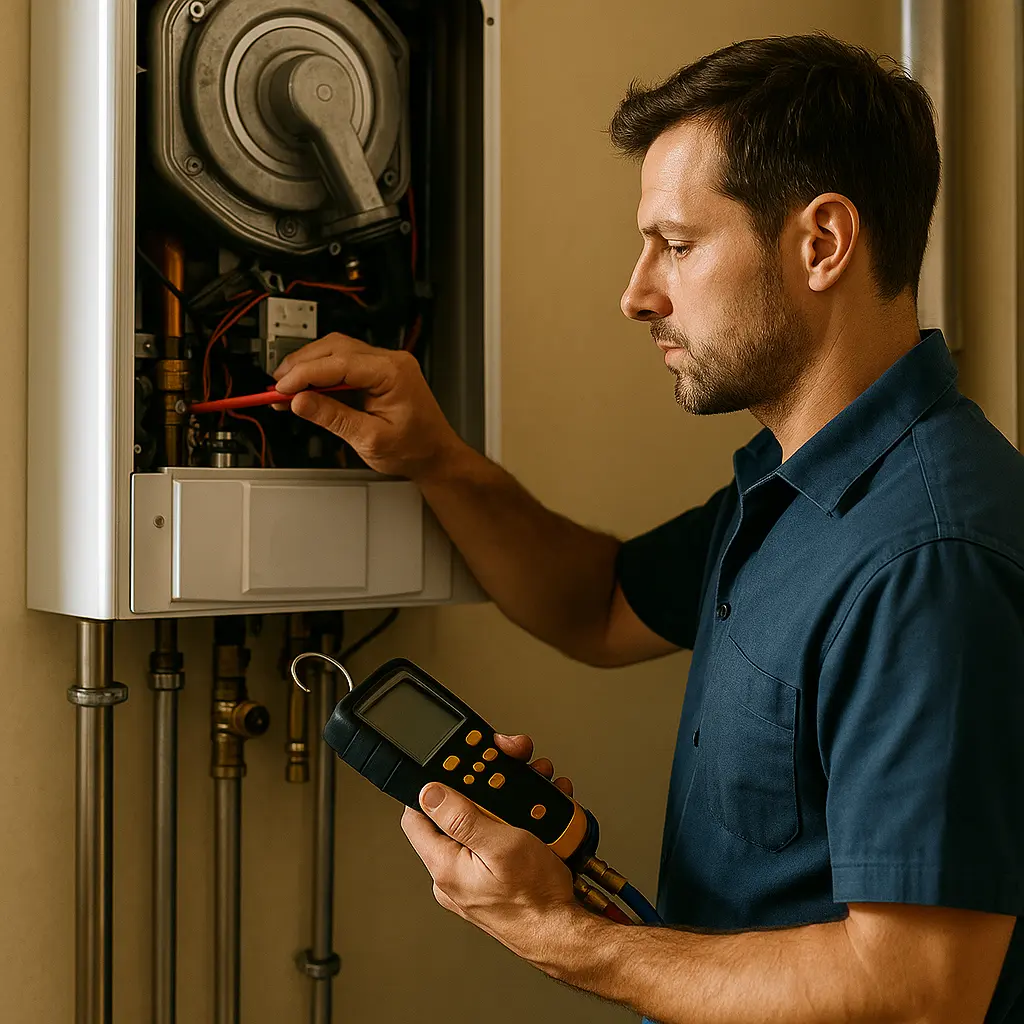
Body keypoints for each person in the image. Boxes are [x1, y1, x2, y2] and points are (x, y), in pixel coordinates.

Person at [274, 33, 1024, 1024]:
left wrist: (566, 936)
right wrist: (436, 459)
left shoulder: (926, 557)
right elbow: (599, 604)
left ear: (821, 242)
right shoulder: (800, 487)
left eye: (676, 245)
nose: (637, 293)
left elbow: (921, 992)